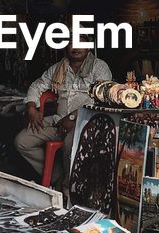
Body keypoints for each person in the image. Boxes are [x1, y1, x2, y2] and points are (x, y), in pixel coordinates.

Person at [16, 45, 112, 185]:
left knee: (70, 143)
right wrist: (31, 107)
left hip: (86, 123)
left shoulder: (99, 67)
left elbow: (103, 98)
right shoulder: (58, 68)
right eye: (71, 42)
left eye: (81, 42)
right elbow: (37, 85)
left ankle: (69, 189)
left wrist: (73, 117)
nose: (76, 47)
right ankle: (58, 177)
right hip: (59, 122)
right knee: (22, 141)